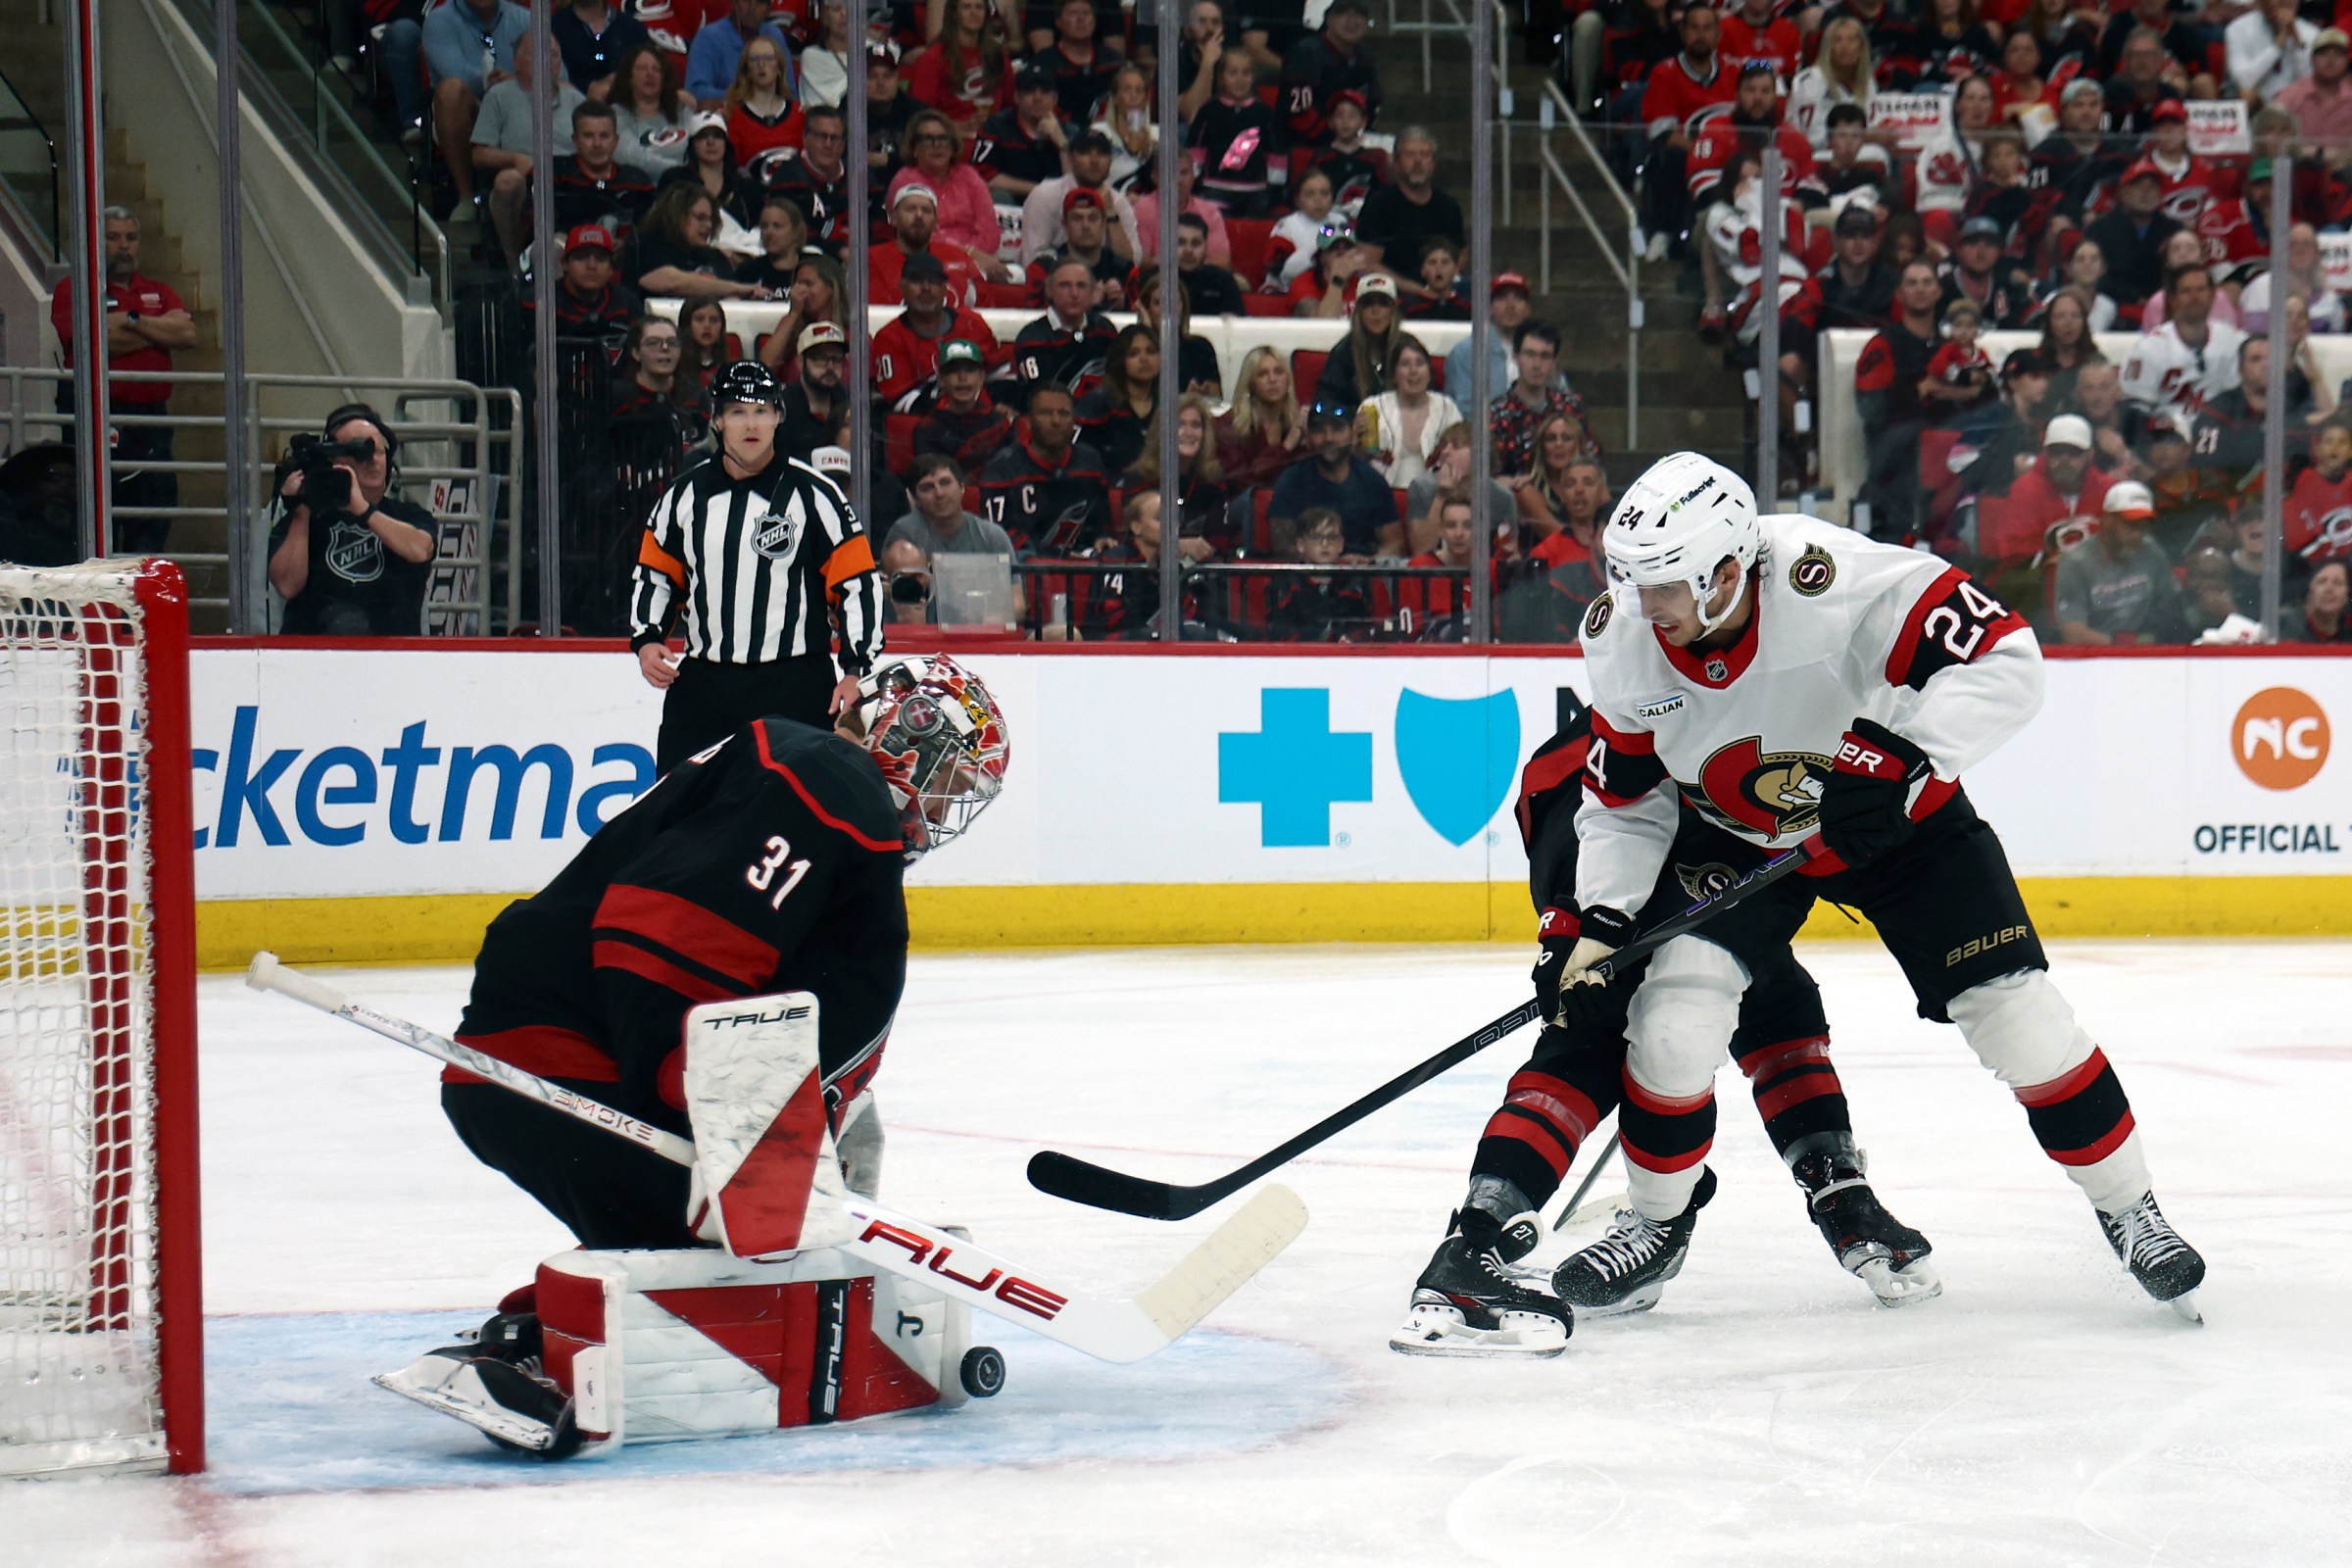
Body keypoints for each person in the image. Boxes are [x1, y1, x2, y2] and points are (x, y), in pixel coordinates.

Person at [1545, 452, 2205, 1320]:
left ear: (1730, 570)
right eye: (1630, 581)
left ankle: (2133, 1211)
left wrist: (1900, 755)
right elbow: (1624, 803)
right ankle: (1658, 1224)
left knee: (2021, 1018)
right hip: (1741, 837)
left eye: (1664, 584)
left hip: (1895, 821)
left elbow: (2009, 658)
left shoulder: (1838, 582)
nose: (1643, 606)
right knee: (1672, 1021)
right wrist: (1601, 917)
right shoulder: (1624, 637)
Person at [377, 653, 1005, 1453]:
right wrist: (712, 1111)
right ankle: (533, 1349)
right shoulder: (835, 779)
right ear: (908, 735)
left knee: (733, 1248)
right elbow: (665, 936)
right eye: (949, 781)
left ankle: (540, 1328)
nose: (944, 810)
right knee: (736, 1255)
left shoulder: (813, 782)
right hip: (563, 1061)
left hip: (547, 1058)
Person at [1392, 693, 1938, 1356]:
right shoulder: (1605, 752)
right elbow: (1579, 831)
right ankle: (1480, 1242)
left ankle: (1833, 1191)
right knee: (1591, 1035)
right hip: (1615, 903)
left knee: (1757, 986)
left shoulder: (1703, 720)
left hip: (1705, 887)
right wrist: (1570, 933)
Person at [628, 361, 884, 772]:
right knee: (680, 811)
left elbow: (857, 583)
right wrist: (647, 638)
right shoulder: (683, 497)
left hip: (796, 685)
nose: (751, 423)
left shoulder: (816, 494)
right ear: (717, 420)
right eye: (738, 411)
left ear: (779, 417)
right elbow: (656, 573)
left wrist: (856, 670)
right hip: (704, 686)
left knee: (794, 816)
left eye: (762, 410)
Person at [50, 207, 197, 551]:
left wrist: (129, 319)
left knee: (153, 516)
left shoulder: (158, 290)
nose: (124, 246)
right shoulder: (75, 288)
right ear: (96, 242)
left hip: (152, 422)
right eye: (113, 237)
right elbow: (94, 341)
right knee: (93, 520)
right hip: (97, 416)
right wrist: (158, 330)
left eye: (130, 238)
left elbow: (187, 334)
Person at [266, 405, 437, 636]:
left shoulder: (408, 515)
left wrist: (363, 510)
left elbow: (420, 550)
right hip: (316, 661)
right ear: (335, 460)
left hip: (393, 660)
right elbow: (286, 585)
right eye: (361, 452)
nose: (373, 461)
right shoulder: (307, 519)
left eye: (379, 452)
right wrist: (301, 511)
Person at [413, 0, 532, 239]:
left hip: (523, 107)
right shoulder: (440, 20)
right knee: (450, 91)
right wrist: (501, 80)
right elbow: (456, 74)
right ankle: (466, 196)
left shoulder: (525, 19)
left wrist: (517, 81)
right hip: (473, 109)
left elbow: (557, 72)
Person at [472, 43, 587, 264]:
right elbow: (479, 154)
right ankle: (513, 266)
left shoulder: (574, 98)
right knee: (508, 180)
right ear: (516, 62)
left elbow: (594, 139)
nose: (545, 60)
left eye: (553, 54)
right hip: (524, 180)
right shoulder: (499, 95)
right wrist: (515, 158)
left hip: (569, 177)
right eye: (535, 52)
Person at [978, 382, 1115, 553]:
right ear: (1028, 421)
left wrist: (1102, 539)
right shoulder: (1003, 467)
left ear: (1074, 420)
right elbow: (998, 537)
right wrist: (1060, 557)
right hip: (1026, 568)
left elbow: (1103, 521)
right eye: (1046, 413)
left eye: (1064, 414)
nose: (1056, 421)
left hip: (1085, 564)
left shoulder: (1090, 461)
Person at [2050, 480, 2186, 647]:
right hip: (2096, 657)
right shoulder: (2076, 564)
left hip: (2147, 650)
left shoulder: (2152, 552)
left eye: (2143, 526)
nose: (2137, 535)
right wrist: (2127, 645)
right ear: (2107, 520)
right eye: (2130, 525)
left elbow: (2171, 609)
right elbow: (2074, 635)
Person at [1267, 403, 1401, 558]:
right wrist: (1332, 564)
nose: (1328, 438)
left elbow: (1394, 544)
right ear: (1308, 437)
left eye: (1337, 429)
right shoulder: (1292, 480)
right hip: (1307, 575)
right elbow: (1283, 548)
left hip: (1362, 574)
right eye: (1319, 430)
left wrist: (1369, 563)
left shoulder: (1373, 482)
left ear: (1352, 434)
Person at [888, 112, 1010, 274]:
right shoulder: (905, 180)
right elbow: (915, 235)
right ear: (914, 148)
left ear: (952, 147)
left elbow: (989, 231)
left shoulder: (969, 176)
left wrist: (973, 258)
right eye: (928, 139)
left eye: (943, 139)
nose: (936, 145)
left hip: (977, 262)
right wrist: (968, 254)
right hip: (924, 263)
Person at [874, 257, 1001, 407]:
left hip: (979, 418)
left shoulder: (971, 322)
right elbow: (900, 401)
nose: (926, 288)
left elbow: (998, 374)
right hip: (921, 423)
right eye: (917, 280)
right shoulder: (889, 337)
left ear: (944, 289)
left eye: (933, 281)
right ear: (902, 288)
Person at [2122, 265, 2244, 416]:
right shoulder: (2149, 348)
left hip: (2220, 431)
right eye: (2186, 291)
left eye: (2201, 290)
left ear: (2213, 295)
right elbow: (2135, 410)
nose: (2195, 297)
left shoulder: (2232, 341)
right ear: (2173, 299)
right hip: (2165, 434)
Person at [1353, 128, 1463, 279]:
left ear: (1433, 163)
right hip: (1390, 293)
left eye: (1424, 155)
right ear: (1396, 162)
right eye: (1410, 155)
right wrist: (1418, 291)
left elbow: (1461, 254)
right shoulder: (1378, 205)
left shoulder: (1448, 206)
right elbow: (1368, 263)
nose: (1418, 162)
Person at [1019, 130, 1143, 264]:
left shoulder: (1118, 201)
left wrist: (1111, 215)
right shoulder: (1045, 195)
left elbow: (1133, 262)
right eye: (1085, 153)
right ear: (1070, 159)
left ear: (1110, 161)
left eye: (1101, 154)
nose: (1095, 161)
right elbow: (1032, 258)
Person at [1189, 47, 1286, 217]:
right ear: (1221, 77)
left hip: (1255, 191)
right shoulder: (1209, 110)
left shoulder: (1265, 113)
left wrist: (1275, 187)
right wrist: (1195, 182)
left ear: (1253, 77)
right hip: (1215, 188)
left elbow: (1276, 153)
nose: (1240, 79)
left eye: (1246, 73)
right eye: (1233, 73)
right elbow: (1196, 149)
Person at [1356, 337, 1462, 492]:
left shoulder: (1448, 408)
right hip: (1379, 495)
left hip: (1435, 496)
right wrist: (1355, 443)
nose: (1414, 371)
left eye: (1420, 363)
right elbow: (1357, 461)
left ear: (1429, 373)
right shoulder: (1372, 407)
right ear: (1394, 374)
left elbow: (1461, 457)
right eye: (1405, 364)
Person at [527, 223, 642, 364]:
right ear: (565, 264)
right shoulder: (536, 302)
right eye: (581, 257)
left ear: (611, 268)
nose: (592, 266)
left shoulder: (627, 302)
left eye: (600, 258)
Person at [621, 183, 760, 299]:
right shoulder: (646, 243)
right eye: (700, 218)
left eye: (710, 220)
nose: (709, 226)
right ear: (676, 215)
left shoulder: (714, 256)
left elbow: (730, 296)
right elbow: (668, 282)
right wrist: (738, 289)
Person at [1490, 322, 1590, 478]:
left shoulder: (1571, 406)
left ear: (1554, 361)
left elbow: (1590, 456)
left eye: (1545, 356)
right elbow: (1492, 472)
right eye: (1530, 354)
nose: (1537, 365)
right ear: (1515, 356)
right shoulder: (1497, 413)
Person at [906, 338, 1017, 476]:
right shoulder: (928, 428)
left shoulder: (1000, 422)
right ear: (940, 379)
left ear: (982, 377)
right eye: (953, 371)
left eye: (970, 370)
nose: (962, 377)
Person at [2082, 163, 2183, 313]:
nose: (2146, 193)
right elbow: (2095, 276)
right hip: (2111, 305)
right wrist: (2134, 298)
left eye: (2152, 187)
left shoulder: (2174, 230)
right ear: (2123, 192)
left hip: (2164, 307)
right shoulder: (2100, 229)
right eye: (2138, 186)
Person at [1280, 0, 1381, 145]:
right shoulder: (1305, 53)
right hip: (1302, 146)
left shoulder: (1365, 58)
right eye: (1342, 13)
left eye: (1359, 15)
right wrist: (1335, 140)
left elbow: (1372, 104)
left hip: (1350, 143)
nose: (1351, 21)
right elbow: (1296, 114)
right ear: (1329, 20)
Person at [889, 453, 1022, 562]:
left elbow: (1015, 592)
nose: (939, 493)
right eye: (927, 488)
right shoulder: (904, 534)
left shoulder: (992, 536)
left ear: (962, 487)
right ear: (915, 498)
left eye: (945, 483)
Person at [867, 184, 987, 307]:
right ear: (894, 218)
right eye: (911, 209)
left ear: (935, 222)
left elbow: (985, 302)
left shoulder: (958, 256)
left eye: (926, 210)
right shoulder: (871, 259)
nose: (919, 215)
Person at [906, 0, 1016, 130]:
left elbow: (1011, 106)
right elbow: (920, 117)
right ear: (954, 13)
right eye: (966, 7)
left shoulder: (998, 56)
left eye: (979, 7)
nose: (973, 13)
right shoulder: (932, 58)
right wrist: (962, 127)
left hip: (994, 138)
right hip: (948, 140)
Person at [554, 100, 661, 235]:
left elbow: (649, 235)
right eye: (588, 136)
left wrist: (626, 245)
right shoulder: (556, 173)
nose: (597, 144)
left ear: (616, 141)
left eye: (604, 136)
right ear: (575, 140)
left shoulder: (637, 182)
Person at [1265, 507, 1375, 639]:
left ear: (1341, 544)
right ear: (1301, 545)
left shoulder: (1355, 583)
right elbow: (1280, 632)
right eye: (1316, 537)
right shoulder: (1285, 583)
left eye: (1332, 537)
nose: (1325, 544)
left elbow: (1368, 627)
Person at [1011, 259, 1120, 390]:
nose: (1074, 294)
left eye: (1081, 285)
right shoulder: (1032, 338)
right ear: (1049, 290)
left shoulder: (1105, 330)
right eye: (1064, 285)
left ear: (1092, 292)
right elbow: (1039, 394)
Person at [1443, 270, 1545, 405]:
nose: (1510, 306)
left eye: (1518, 298)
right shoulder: (1464, 353)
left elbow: (1559, 395)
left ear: (1528, 309)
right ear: (1490, 307)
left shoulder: (1542, 350)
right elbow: (1463, 409)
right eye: (1502, 298)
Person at [976, 67, 1074, 202]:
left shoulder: (1070, 131)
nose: (1037, 98)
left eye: (1045, 91)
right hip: (1011, 203)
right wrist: (1040, 190)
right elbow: (985, 177)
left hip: (1055, 205)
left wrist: (1062, 144)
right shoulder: (996, 126)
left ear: (1055, 99)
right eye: (1029, 91)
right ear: (1017, 97)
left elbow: (1076, 186)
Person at [658, 111, 763, 236]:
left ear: (726, 143)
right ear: (692, 144)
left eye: (717, 136)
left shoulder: (747, 187)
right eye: (703, 136)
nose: (710, 142)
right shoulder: (674, 181)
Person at [1075, 324, 1161, 475]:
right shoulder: (1097, 403)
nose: (1144, 359)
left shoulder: (1167, 405)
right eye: (1134, 353)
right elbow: (1081, 459)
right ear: (1120, 359)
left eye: (1151, 351)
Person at [766, 104, 854, 252]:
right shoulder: (787, 179)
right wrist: (837, 251)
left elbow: (880, 227)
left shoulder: (860, 178)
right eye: (821, 136)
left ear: (844, 144)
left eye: (835, 138)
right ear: (805, 137)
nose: (828, 144)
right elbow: (791, 234)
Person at [1313, 272, 1406, 408]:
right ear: (1358, 311)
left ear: (1394, 310)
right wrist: (1351, 419)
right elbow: (1327, 403)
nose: (1376, 311)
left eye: (1383, 303)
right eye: (1368, 303)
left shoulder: (1409, 348)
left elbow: (1428, 398)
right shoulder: (1343, 352)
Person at [1221, 345, 1306, 489]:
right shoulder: (1229, 425)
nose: (1272, 379)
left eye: (1279, 372)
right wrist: (1287, 446)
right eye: (1262, 374)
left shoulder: (1294, 423)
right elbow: (1243, 480)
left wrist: (1306, 443)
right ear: (1250, 384)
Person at [685, 0, 798, 107]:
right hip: (725, 114)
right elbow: (696, 90)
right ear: (734, 3)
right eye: (746, 0)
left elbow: (789, 91)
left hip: (769, 115)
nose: (752, 8)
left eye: (760, 1)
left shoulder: (774, 35)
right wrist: (746, 97)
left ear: (768, 9)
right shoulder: (709, 37)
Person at [721, 33, 803, 173]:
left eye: (768, 58)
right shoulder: (733, 115)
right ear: (747, 70)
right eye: (754, 59)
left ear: (779, 68)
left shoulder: (799, 113)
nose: (761, 64)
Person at [1032, 0, 1122, 124]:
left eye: (1086, 13)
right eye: (1072, 13)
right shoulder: (1043, 63)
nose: (1081, 19)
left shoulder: (1113, 61)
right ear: (1058, 22)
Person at [610, 42, 692, 172]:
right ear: (629, 77)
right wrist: (679, 171)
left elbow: (698, 146)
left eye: (656, 69)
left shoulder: (681, 110)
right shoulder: (616, 114)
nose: (650, 74)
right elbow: (630, 157)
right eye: (642, 68)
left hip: (687, 186)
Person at [1815, 205, 1895, 331]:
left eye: (1865, 236)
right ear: (1835, 241)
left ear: (1875, 242)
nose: (1858, 243)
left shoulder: (1891, 284)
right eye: (1850, 236)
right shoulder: (1820, 284)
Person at [774, 320, 848, 460]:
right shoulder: (782, 409)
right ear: (800, 361)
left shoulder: (849, 403)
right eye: (820, 358)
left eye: (837, 358)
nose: (830, 366)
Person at [2276, 27, 2352, 150]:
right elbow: (2271, 139)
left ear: (2347, 62)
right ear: (2312, 59)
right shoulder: (2291, 95)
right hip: (2298, 166)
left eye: (2338, 54)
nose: (2331, 60)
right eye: (2323, 53)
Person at [1923, 298, 1996, 424]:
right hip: (1954, 401)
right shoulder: (1948, 349)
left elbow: (1990, 368)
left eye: (1969, 326)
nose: (1963, 331)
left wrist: (1986, 377)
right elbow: (1937, 365)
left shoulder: (1981, 352)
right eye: (1958, 326)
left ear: (1978, 329)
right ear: (1947, 328)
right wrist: (1963, 376)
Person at [2226, 0, 2315, 102]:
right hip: (2257, 102)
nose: (2275, 4)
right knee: (2247, 95)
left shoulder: (2311, 33)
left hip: (2294, 103)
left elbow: (2309, 82)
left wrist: (2297, 41)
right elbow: (2244, 82)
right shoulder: (2238, 28)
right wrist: (2277, 46)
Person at [1093, 64, 1159, 193]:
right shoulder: (1099, 132)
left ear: (1146, 98)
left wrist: (1151, 153)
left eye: (1139, 91)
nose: (1133, 96)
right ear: (1115, 97)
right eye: (1127, 90)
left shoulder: (1158, 134)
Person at [1173, 213, 1248, 317]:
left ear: (1206, 247)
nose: (1188, 250)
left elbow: (1239, 326)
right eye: (1180, 242)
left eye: (1195, 243)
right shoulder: (1155, 278)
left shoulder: (1223, 281)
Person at [2279, 558, 2352, 642]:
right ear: (2310, 590)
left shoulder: (2349, 629)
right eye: (2321, 581)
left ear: (2347, 595)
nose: (2329, 589)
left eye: (2338, 583)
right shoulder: (2284, 628)